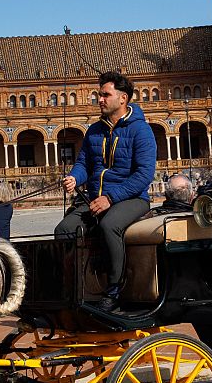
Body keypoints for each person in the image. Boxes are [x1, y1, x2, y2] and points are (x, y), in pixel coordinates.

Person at [55, 71, 155, 311]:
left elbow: (144, 175)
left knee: (110, 225)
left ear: (123, 99)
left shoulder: (141, 131)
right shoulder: (94, 131)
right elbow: (84, 163)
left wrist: (110, 198)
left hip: (131, 198)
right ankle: (76, 286)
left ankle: (114, 290)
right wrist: (74, 177)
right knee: (64, 230)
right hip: (94, 198)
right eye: (99, 95)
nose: (99, 99)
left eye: (105, 95)